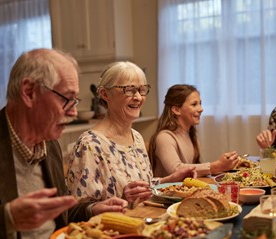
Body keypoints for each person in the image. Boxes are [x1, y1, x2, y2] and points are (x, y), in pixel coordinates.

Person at [0, 49, 128, 239]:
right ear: (29, 92)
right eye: (67, 99)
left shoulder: (50, 144)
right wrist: (8, 219)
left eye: (75, 102)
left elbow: (55, 215)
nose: (73, 112)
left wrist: (91, 210)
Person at [66, 61, 196, 205]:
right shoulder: (90, 144)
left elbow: (144, 185)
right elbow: (78, 209)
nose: (138, 98)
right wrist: (123, 199)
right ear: (105, 94)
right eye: (129, 90)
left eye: (141, 90)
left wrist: (171, 179)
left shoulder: (137, 137)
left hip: (145, 219)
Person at [147, 84, 239, 178]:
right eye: (194, 104)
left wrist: (223, 166)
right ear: (176, 110)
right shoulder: (164, 138)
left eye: (200, 103)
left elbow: (193, 172)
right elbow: (176, 170)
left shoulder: (190, 134)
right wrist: (216, 166)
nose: (201, 109)